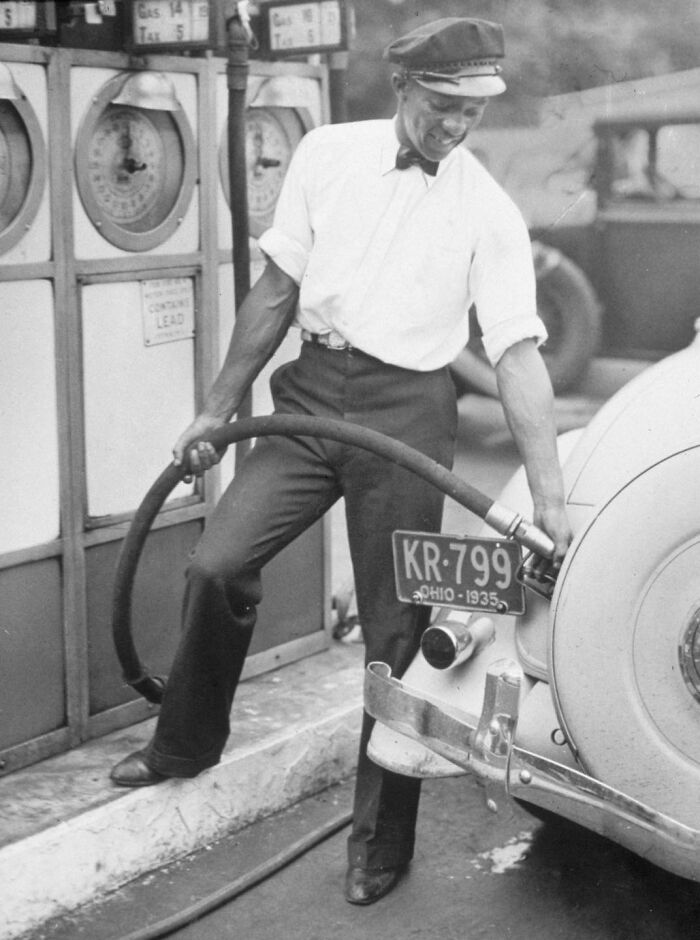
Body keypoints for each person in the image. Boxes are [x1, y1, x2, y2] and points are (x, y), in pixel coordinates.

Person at [110, 16, 572, 905]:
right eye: (442, 105)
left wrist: (548, 497)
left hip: (410, 412)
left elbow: (517, 355)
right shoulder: (326, 153)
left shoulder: (490, 211)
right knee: (217, 562)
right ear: (402, 87)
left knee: (396, 629)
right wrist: (214, 409)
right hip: (312, 394)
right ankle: (183, 743)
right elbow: (278, 287)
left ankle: (380, 840)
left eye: (472, 111)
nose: (455, 126)